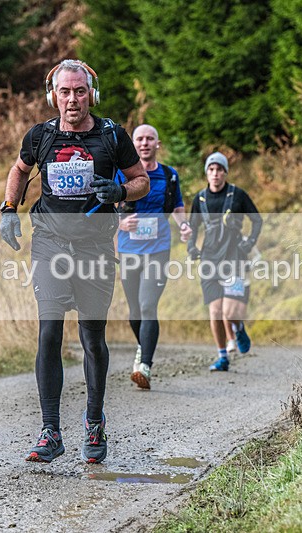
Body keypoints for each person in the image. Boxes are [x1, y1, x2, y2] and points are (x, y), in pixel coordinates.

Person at [0, 59, 149, 464]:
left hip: (96, 246)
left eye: (79, 91)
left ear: (91, 94)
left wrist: (118, 191)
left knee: (92, 337)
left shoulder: (112, 135)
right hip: (50, 240)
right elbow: (19, 169)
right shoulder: (41, 136)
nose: (72, 100)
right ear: (54, 95)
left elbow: (141, 181)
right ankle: (50, 431)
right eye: (64, 92)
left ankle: (94, 421)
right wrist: (9, 207)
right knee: (49, 330)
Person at [116, 124, 191, 389]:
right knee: (135, 310)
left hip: (158, 249)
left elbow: (178, 205)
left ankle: (144, 365)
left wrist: (183, 224)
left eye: (150, 139)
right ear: (133, 144)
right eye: (140, 139)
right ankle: (142, 347)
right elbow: (105, 206)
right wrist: (120, 223)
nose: (145, 143)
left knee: (148, 306)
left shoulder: (169, 175)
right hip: (128, 249)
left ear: (157, 144)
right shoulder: (120, 174)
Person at [187, 152, 262, 371]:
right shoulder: (199, 199)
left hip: (234, 259)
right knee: (215, 312)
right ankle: (222, 357)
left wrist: (248, 243)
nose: (215, 174)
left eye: (219, 169)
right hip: (209, 260)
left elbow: (257, 219)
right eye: (211, 169)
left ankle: (238, 327)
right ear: (206, 173)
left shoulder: (237, 195)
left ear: (225, 172)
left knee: (229, 312)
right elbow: (193, 228)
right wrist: (191, 246)